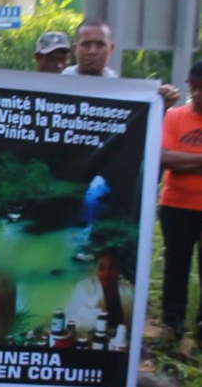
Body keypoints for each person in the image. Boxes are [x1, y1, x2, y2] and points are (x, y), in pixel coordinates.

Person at [159, 60, 202, 337]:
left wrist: (186, 161)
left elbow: (177, 159)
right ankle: (172, 323)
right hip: (175, 205)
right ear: (189, 87)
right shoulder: (174, 116)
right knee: (176, 266)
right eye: (195, 87)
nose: (199, 94)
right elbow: (165, 158)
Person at [62, 18, 180, 108]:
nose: (92, 51)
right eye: (86, 44)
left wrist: (161, 104)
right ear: (75, 48)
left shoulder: (123, 91)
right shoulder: (59, 85)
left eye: (100, 45)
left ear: (111, 49)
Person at [65, 249, 133, 332]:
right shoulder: (85, 288)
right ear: (95, 269)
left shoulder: (129, 291)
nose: (106, 273)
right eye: (101, 268)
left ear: (118, 269)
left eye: (111, 268)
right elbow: (69, 321)